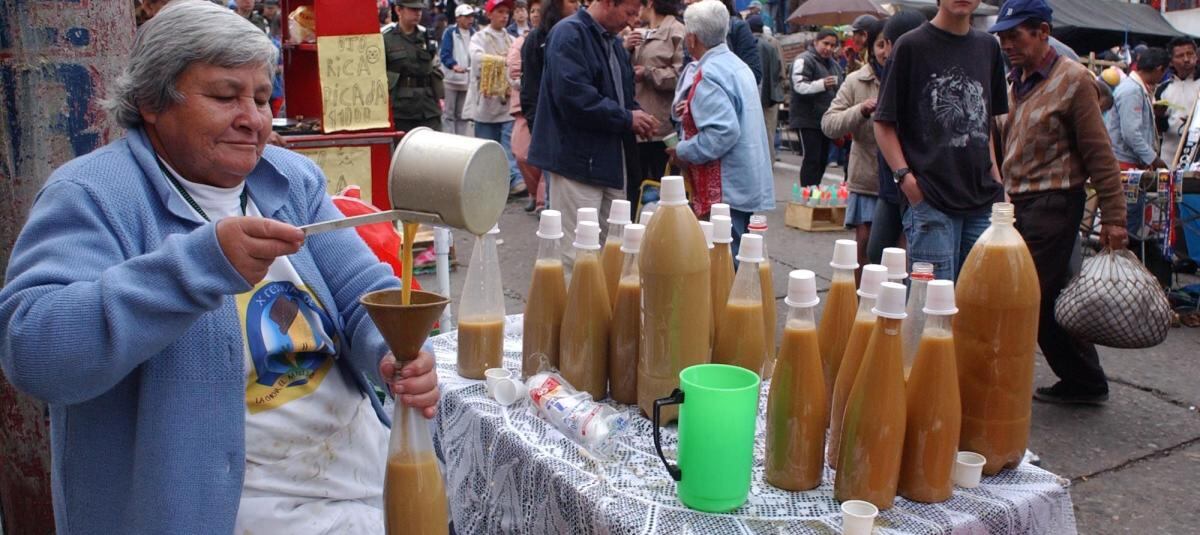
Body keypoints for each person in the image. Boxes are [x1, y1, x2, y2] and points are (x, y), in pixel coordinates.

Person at [0, 2, 442, 532]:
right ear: (151, 101)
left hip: (359, 469)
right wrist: (199, 266)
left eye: (261, 98)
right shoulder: (93, 195)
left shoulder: (287, 178)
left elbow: (361, 290)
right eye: (224, 96)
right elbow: (35, 352)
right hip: (220, 510)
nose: (252, 119)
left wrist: (393, 351)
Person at [991, 0, 1128, 405]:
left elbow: (1099, 153)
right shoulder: (1014, 81)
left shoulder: (1073, 79)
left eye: (1015, 35)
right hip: (1016, 203)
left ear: (1043, 33)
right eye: (1003, 37)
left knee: (1025, 294)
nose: (1007, 44)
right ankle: (1085, 380)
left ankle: (1013, 384)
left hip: (1053, 201)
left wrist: (1115, 218)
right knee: (1045, 298)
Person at [874, 0, 1008, 281]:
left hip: (983, 200)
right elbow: (883, 123)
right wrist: (906, 180)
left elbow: (985, 126)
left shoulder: (989, 47)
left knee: (977, 299)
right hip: (931, 198)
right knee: (932, 302)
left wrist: (998, 183)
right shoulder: (910, 45)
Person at [528, 0, 659, 262]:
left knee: (614, 250)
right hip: (576, 162)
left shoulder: (613, 42)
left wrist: (638, 115)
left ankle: (605, 292)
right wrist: (626, 118)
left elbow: (621, 95)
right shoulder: (569, 34)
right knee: (577, 254)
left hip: (610, 161)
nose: (632, 21)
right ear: (608, 3)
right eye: (629, 12)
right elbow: (574, 98)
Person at [667, 0, 774, 246]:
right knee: (741, 256)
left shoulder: (710, 73)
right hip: (743, 182)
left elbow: (722, 132)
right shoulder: (737, 66)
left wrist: (683, 151)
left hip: (726, 189)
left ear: (692, 39)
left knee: (724, 260)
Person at [822, 16, 883, 275]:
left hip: (905, 182)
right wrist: (861, 110)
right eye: (880, 45)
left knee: (898, 253)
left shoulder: (910, 77)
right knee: (866, 246)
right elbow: (829, 123)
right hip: (867, 178)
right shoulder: (856, 80)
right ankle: (859, 298)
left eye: (890, 44)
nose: (885, 51)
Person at [864, 10, 922, 264]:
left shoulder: (901, 71)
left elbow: (885, 126)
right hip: (894, 184)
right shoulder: (893, 71)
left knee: (907, 257)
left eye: (885, 44)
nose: (885, 53)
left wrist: (906, 179)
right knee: (881, 253)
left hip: (911, 184)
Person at [468, 0, 527, 196]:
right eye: (500, 12)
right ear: (489, 14)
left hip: (507, 103)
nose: (504, 16)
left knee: (509, 146)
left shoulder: (512, 39)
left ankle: (513, 180)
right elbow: (476, 60)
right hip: (486, 104)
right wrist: (505, 62)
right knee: (487, 148)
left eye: (506, 12)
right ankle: (490, 186)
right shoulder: (479, 38)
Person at [629, 0, 686, 195]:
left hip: (663, 128)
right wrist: (626, 48)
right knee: (637, 190)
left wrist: (649, 73)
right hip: (637, 125)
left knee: (663, 189)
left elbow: (682, 75)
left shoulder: (677, 31)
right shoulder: (640, 32)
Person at [519, 0, 582, 145]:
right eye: (572, 1)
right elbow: (530, 88)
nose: (577, 6)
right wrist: (537, 129)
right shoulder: (536, 39)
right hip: (548, 127)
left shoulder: (581, 34)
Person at [508, 1, 548, 213]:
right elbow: (513, 71)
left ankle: (542, 200)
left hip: (548, 106)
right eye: (532, 10)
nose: (535, 15)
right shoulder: (521, 41)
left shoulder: (557, 37)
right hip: (525, 106)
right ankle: (533, 192)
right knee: (521, 153)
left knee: (546, 155)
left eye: (539, 11)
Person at [790, 28, 843, 188]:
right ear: (815, 42)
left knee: (822, 159)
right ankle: (808, 192)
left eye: (832, 45)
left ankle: (815, 190)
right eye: (825, 43)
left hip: (825, 120)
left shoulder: (834, 65)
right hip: (807, 118)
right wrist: (821, 85)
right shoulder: (803, 60)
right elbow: (799, 86)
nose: (829, 48)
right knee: (812, 158)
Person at [385, 0, 444, 133]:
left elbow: (434, 67)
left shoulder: (427, 36)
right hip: (401, 110)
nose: (417, 13)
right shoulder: (387, 39)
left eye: (419, 10)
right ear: (398, 10)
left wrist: (439, 97)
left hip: (428, 108)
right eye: (412, 9)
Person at [1107, 47, 1169, 171]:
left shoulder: (1138, 88)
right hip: (1124, 162)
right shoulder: (1132, 90)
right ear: (1159, 69)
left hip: (1131, 161)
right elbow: (1131, 134)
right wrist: (1153, 159)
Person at [747, 14, 784, 164]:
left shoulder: (749, 45)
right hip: (771, 96)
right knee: (769, 131)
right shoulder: (772, 44)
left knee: (754, 132)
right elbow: (780, 70)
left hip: (754, 95)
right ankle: (770, 162)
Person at [1156, 37, 1199, 166]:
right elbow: (1160, 128)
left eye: (1190, 54)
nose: (1186, 59)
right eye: (1180, 56)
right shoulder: (1163, 89)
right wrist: (1158, 116)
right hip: (1170, 155)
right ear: (1171, 62)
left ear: (1196, 56)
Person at [441, 4, 477, 135]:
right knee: (449, 114)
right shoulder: (450, 32)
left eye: (471, 16)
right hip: (451, 80)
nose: (470, 19)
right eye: (466, 17)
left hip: (467, 80)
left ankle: (461, 139)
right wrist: (453, 65)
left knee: (463, 114)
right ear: (458, 18)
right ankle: (449, 139)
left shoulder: (474, 34)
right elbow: (445, 53)